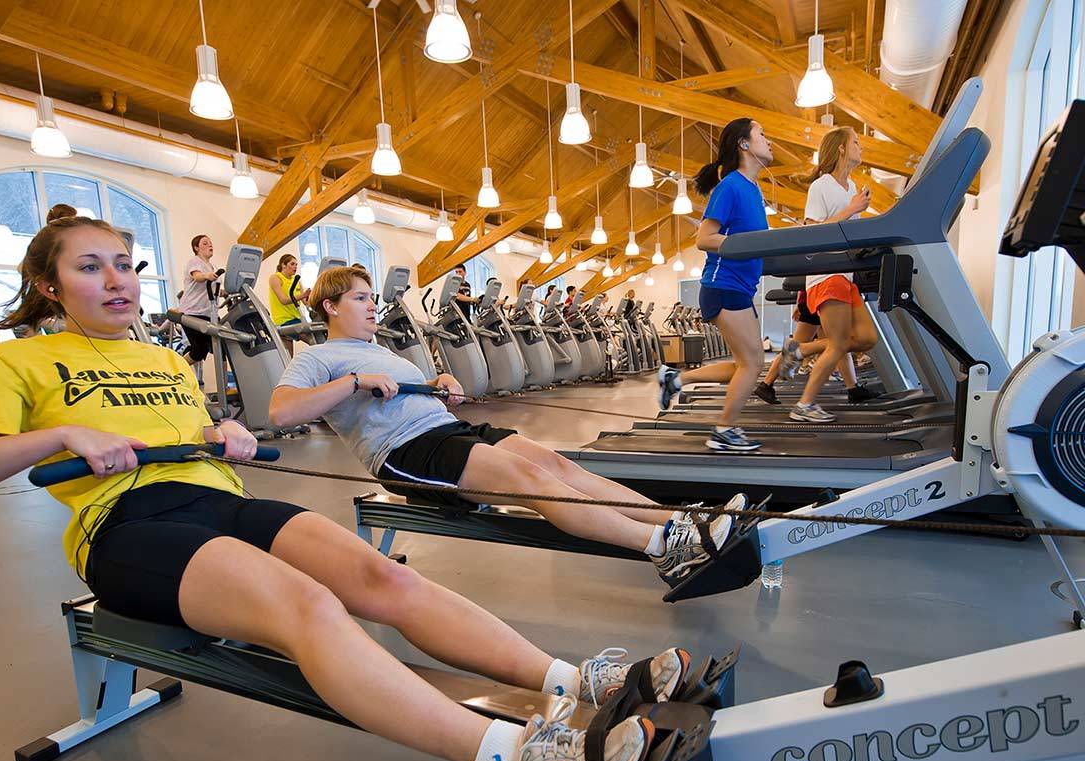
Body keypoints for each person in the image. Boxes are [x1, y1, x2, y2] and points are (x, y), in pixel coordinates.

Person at [0, 215, 699, 761]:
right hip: (127, 527)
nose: (115, 279)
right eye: (90, 266)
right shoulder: (18, 365)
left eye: (123, 263)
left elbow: (222, 434)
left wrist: (230, 435)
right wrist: (59, 437)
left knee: (386, 579)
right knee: (307, 609)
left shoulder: (165, 362)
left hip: (218, 502)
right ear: (48, 285)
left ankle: (569, 682)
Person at [270, 266, 745, 588]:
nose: (373, 306)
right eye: (360, 298)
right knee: (534, 483)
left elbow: (415, 391)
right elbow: (281, 412)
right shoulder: (318, 356)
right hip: (406, 454)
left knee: (560, 466)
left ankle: (681, 521)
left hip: (447, 429)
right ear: (331, 307)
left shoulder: (381, 351)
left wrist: (440, 383)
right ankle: (663, 549)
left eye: (373, 298)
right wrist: (354, 382)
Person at [657, 118, 773, 452]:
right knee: (753, 364)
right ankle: (724, 431)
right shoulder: (731, 187)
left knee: (744, 364)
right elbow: (704, 238)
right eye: (762, 134)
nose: (769, 141)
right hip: (724, 285)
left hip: (739, 287)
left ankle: (675, 379)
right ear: (744, 144)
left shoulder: (752, 189)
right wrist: (745, 248)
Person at [773, 127, 880, 422]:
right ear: (842, 149)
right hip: (826, 274)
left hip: (847, 275)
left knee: (867, 338)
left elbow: (849, 232)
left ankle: (802, 350)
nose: (861, 146)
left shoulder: (851, 187)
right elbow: (813, 230)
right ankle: (804, 405)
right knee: (839, 343)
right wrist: (852, 209)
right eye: (855, 142)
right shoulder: (821, 186)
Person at [174, 234, 221, 368]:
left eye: (210, 243)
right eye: (205, 243)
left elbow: (213, 287)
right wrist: (206, 276)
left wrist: (225, 292)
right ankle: (175, 370)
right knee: (199, 351)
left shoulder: (212, 266)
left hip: (209, 313)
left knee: (222, 348)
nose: (210, 245)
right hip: (193, 312)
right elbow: (197, 276)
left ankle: (225, 388)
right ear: (196, 248)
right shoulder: (195, 262)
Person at [268, 253, 311, 353]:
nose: (295, 267)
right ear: (283, 265)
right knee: (314, 340)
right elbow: (283, 300)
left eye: (296, 264)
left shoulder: (296, 280)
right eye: (292, 264)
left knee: (288, 357)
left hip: (297, 318)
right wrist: (302, 295)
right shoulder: (275, 278)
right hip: (283, 321)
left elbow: (305, 302)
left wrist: (313, 296)